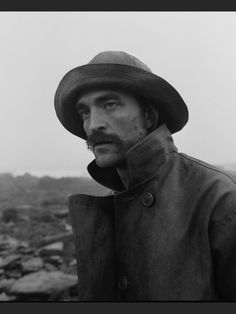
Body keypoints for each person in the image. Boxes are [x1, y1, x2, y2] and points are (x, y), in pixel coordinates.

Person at [54, 51, 236, 301]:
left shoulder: (219, 199)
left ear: (149, 116)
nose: (93, 124)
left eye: (110, 105)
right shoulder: (109, 204)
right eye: (84, 112)